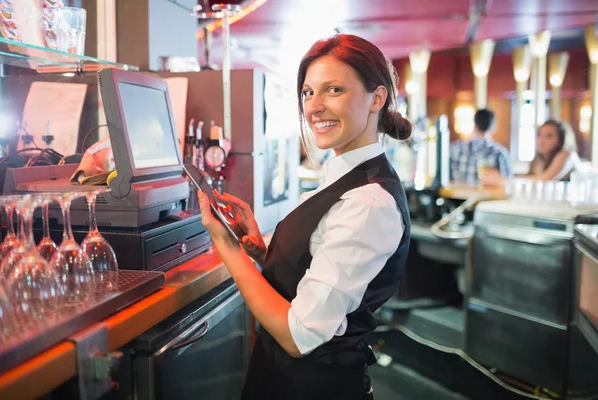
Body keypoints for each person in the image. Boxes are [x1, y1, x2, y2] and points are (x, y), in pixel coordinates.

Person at [197, 34, 412, 400]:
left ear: (377, 98)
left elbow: (299, 336)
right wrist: (262, 253)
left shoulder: (368, 202)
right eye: (308, 93)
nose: (315, 107)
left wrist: (226, 249)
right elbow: (317, 275)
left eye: (334, 90)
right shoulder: (340, 178)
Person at [481, 119, 580, 185]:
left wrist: (504, 180)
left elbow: (545, 180)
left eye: (549, 136)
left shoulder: (567, 154)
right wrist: (501, 177)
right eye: (539, 134)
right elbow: (532, 178)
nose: (541, 140)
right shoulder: (539, 159)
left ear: (561, 140)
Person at [450, 108, 511, 185]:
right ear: (493, 127)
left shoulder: (454, 149)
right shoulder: (499, 153)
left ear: (474, 124)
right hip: (488, 196)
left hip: (455, 196)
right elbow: (508, 184)